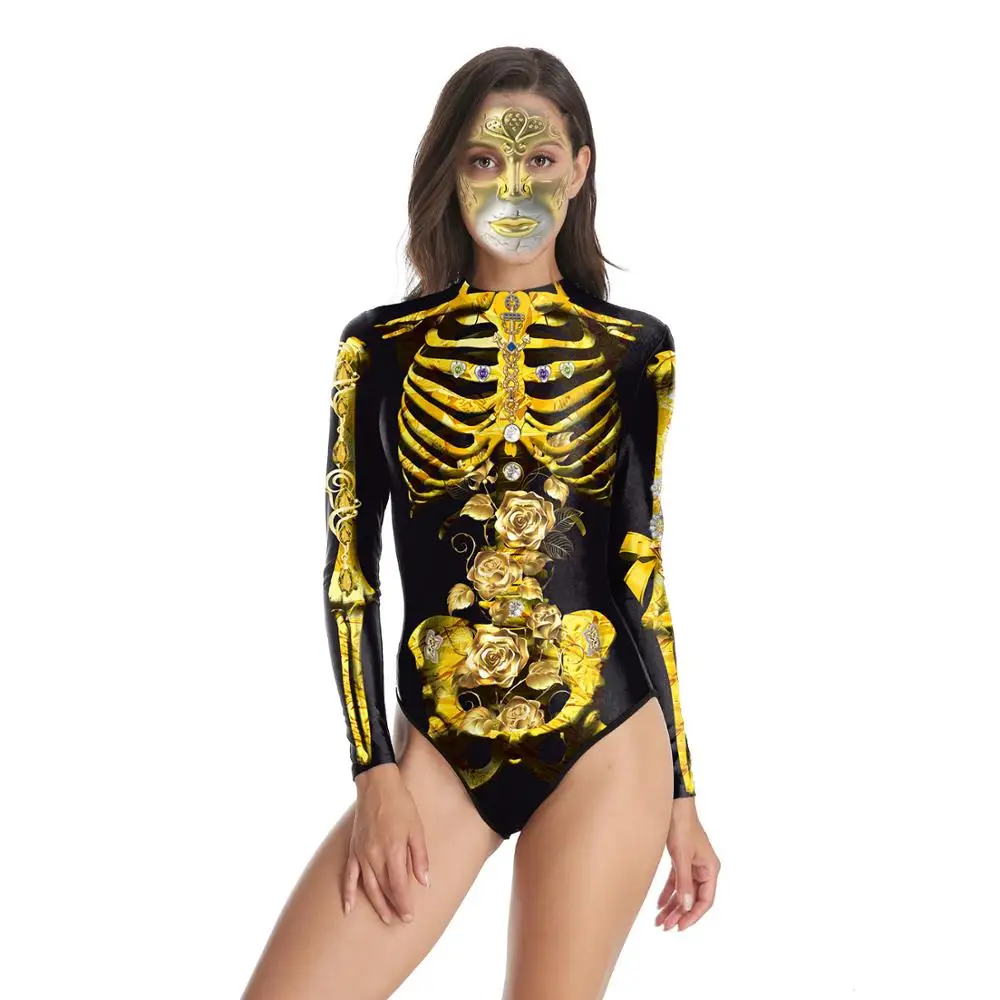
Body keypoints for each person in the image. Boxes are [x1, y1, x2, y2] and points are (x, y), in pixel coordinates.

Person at [242, 46, 721, 1000]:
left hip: (609, 739)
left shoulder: (637, 350)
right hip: (437, 751)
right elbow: (349, 569)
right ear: (450, 172)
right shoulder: (379, 347)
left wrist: (683, 792)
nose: (513, 185)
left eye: (539, 159)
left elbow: (641, 571)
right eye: (483, 159)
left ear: (579, 170)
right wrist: (374, 771)